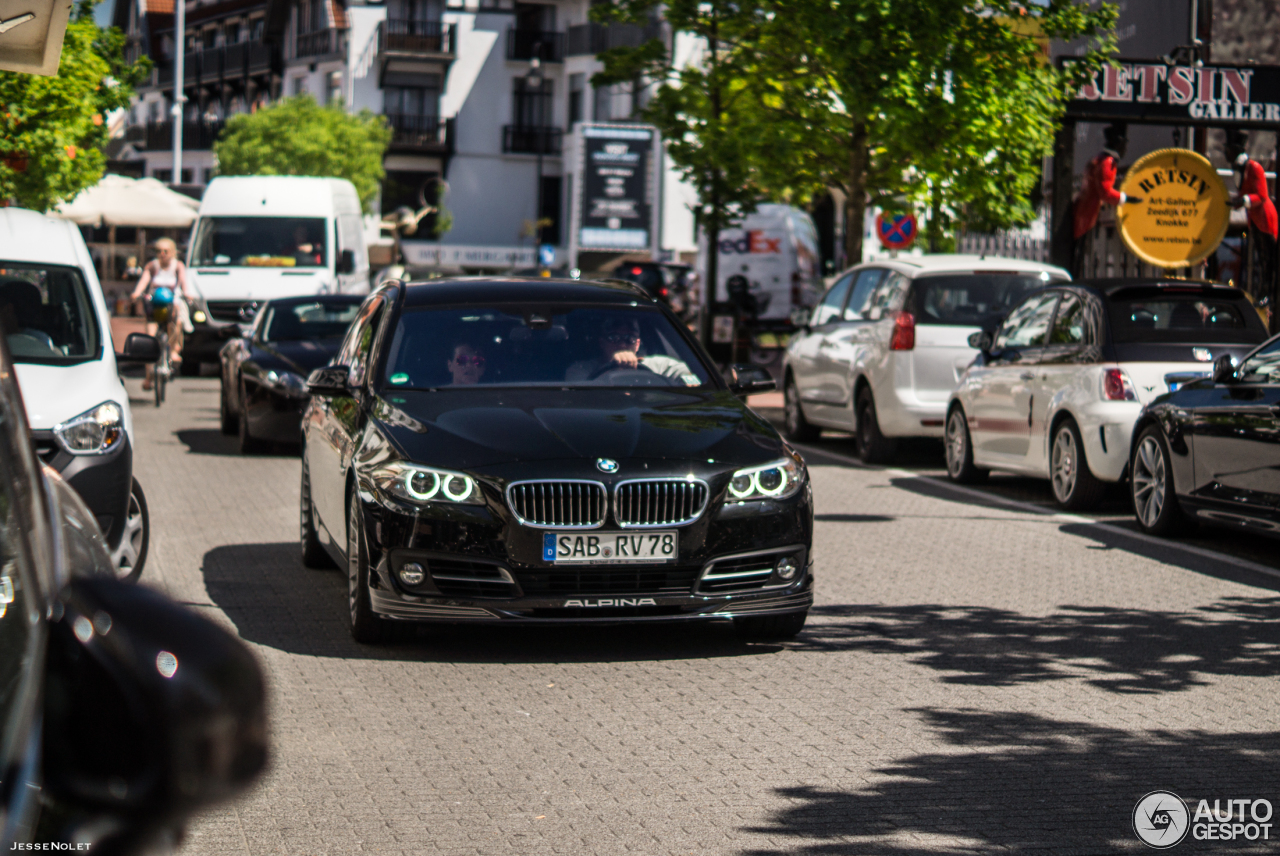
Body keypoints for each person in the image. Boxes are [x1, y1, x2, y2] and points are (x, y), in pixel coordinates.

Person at [131, 238, 195, 390]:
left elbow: (183, 282)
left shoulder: (177, 266)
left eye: (166, 251)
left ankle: (173, 350)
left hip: (171, 304)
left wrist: (187, 293)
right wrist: (136, 293)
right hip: (155, 305)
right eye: (159, 251)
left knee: (176, 321)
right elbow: (144, 281)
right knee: (149, 339)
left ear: (172, 253)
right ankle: (148, 377)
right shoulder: (152, 266)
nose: (162, 254)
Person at [565, 317, 694, 383]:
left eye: (629, 338)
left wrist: (690, 381)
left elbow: (691, 380)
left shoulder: (660, 366)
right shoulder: (581, 369)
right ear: (602, 342)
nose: (622, 344)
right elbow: (578, 398)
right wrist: (614, 369)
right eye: (614, 337)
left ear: (637, 344)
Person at [1073, 122, 1142, 241]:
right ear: (1118, 144)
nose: (1125, 149)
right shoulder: (1108, 162)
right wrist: (1128, 199)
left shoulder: (1099, 158)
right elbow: (1105, 192)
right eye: (1124, 144)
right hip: (1089, 211)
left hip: (1084, 208)